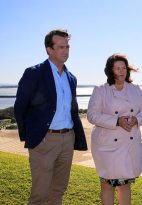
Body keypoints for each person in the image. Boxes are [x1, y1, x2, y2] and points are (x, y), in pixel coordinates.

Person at [14, 29, 88, 205]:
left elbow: (72, 110)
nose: (66, 50)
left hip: (67, 139)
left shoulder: (71, 78)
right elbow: (20, 108)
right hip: (44, 140)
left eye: (67, 46)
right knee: (40, 194)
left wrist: (72, 137)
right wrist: (32, 136)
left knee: (58, 191)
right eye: (61, 47)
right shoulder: (34, 73)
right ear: (49, 49)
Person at [87, 53, 142, 205]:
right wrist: (116, 121)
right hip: (107, 145)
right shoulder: (101, 90)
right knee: (107, 184)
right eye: (117, 68)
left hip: (130, 143)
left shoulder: (136, 90)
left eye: (123, 68)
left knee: (125, 184)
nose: (121, 71)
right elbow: (92, 115)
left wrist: (136, 119)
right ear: (110, 70)